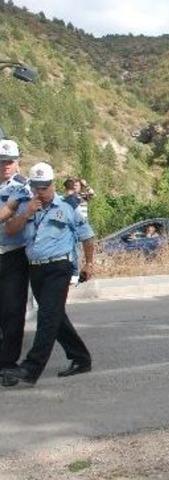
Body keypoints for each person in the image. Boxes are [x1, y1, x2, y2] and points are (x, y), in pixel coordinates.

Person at [1, 162, 95, 387]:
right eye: (36, 187)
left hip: (58, 267)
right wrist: (26, 213)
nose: (40, 192)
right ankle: (81, 358)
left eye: (44, 187)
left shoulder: (67, 206)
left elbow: (87, 236)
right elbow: (10, 230)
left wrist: (89, 264)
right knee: (55, 317)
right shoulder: (26, 205)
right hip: (35, 268)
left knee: (46, 318)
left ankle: (31, 369)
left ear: (53, 185)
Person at [0, 139, 31, 387]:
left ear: (18, 162)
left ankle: (8, 364)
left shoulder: (24, 187)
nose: (6, 166)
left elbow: (11, 215)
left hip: (13, 255)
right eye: (1, 162)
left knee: (12, 311)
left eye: (10, 161)